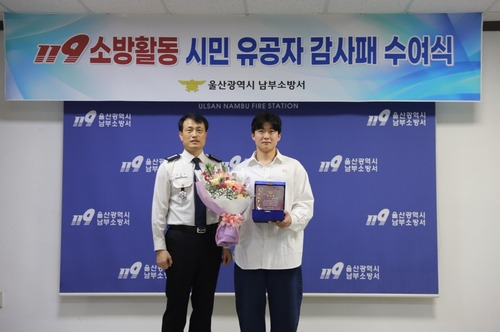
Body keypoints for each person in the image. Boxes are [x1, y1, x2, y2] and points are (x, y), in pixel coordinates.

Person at [232, 110, 314, 332]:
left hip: (284, 257)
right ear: (253, 136)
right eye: (261, 131)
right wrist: (230, 219)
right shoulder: (239, 171)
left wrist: (291, 219)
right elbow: (230, 209)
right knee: (249, 322)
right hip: (249, 257)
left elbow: (306, 204)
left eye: (271, 131)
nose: (266, 136)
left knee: (286, 322)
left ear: (279, 136)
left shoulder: (294, 168)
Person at [151, 113, 232, 332]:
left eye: (199, 130)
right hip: (180, 240)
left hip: (210, 241)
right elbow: (159, 210)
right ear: (180, 135)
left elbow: (226, 209)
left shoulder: (217, 167)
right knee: (176, 304)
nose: (194, 134)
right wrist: (160, 248)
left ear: (206, 134)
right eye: (189, 130)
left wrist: (225, 244)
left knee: (204, 305)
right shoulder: (168, 167)